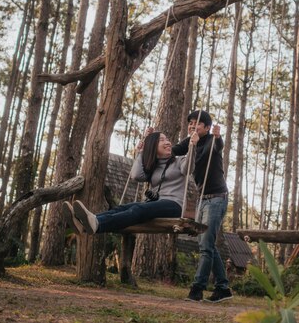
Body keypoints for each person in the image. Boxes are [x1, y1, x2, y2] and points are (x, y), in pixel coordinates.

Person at [63, 130, 198, 234]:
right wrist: (141, 152)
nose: (168, 142)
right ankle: (82, 223)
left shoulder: (179, 161)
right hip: (155, 204)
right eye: (162, 140)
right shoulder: (153, 167)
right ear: (152, 146)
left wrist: (192, 147)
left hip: (174, 205)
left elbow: (189, 168)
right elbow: (136, 175)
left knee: (138, 209)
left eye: (167, 140)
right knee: (120, 208)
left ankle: (97, 223)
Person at [173, 110, 232, 303]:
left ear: (206, 127)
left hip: (217, 198)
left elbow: (218, 146)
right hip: (202, 199)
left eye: (197, 123)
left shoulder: (211, 141)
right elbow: (172, 151)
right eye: (190, 122)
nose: (192, 126)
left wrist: (217, 136)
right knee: (206, 244)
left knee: (206, 246)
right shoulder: (190, 141)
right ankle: (223, 288)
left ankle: (197, 289)